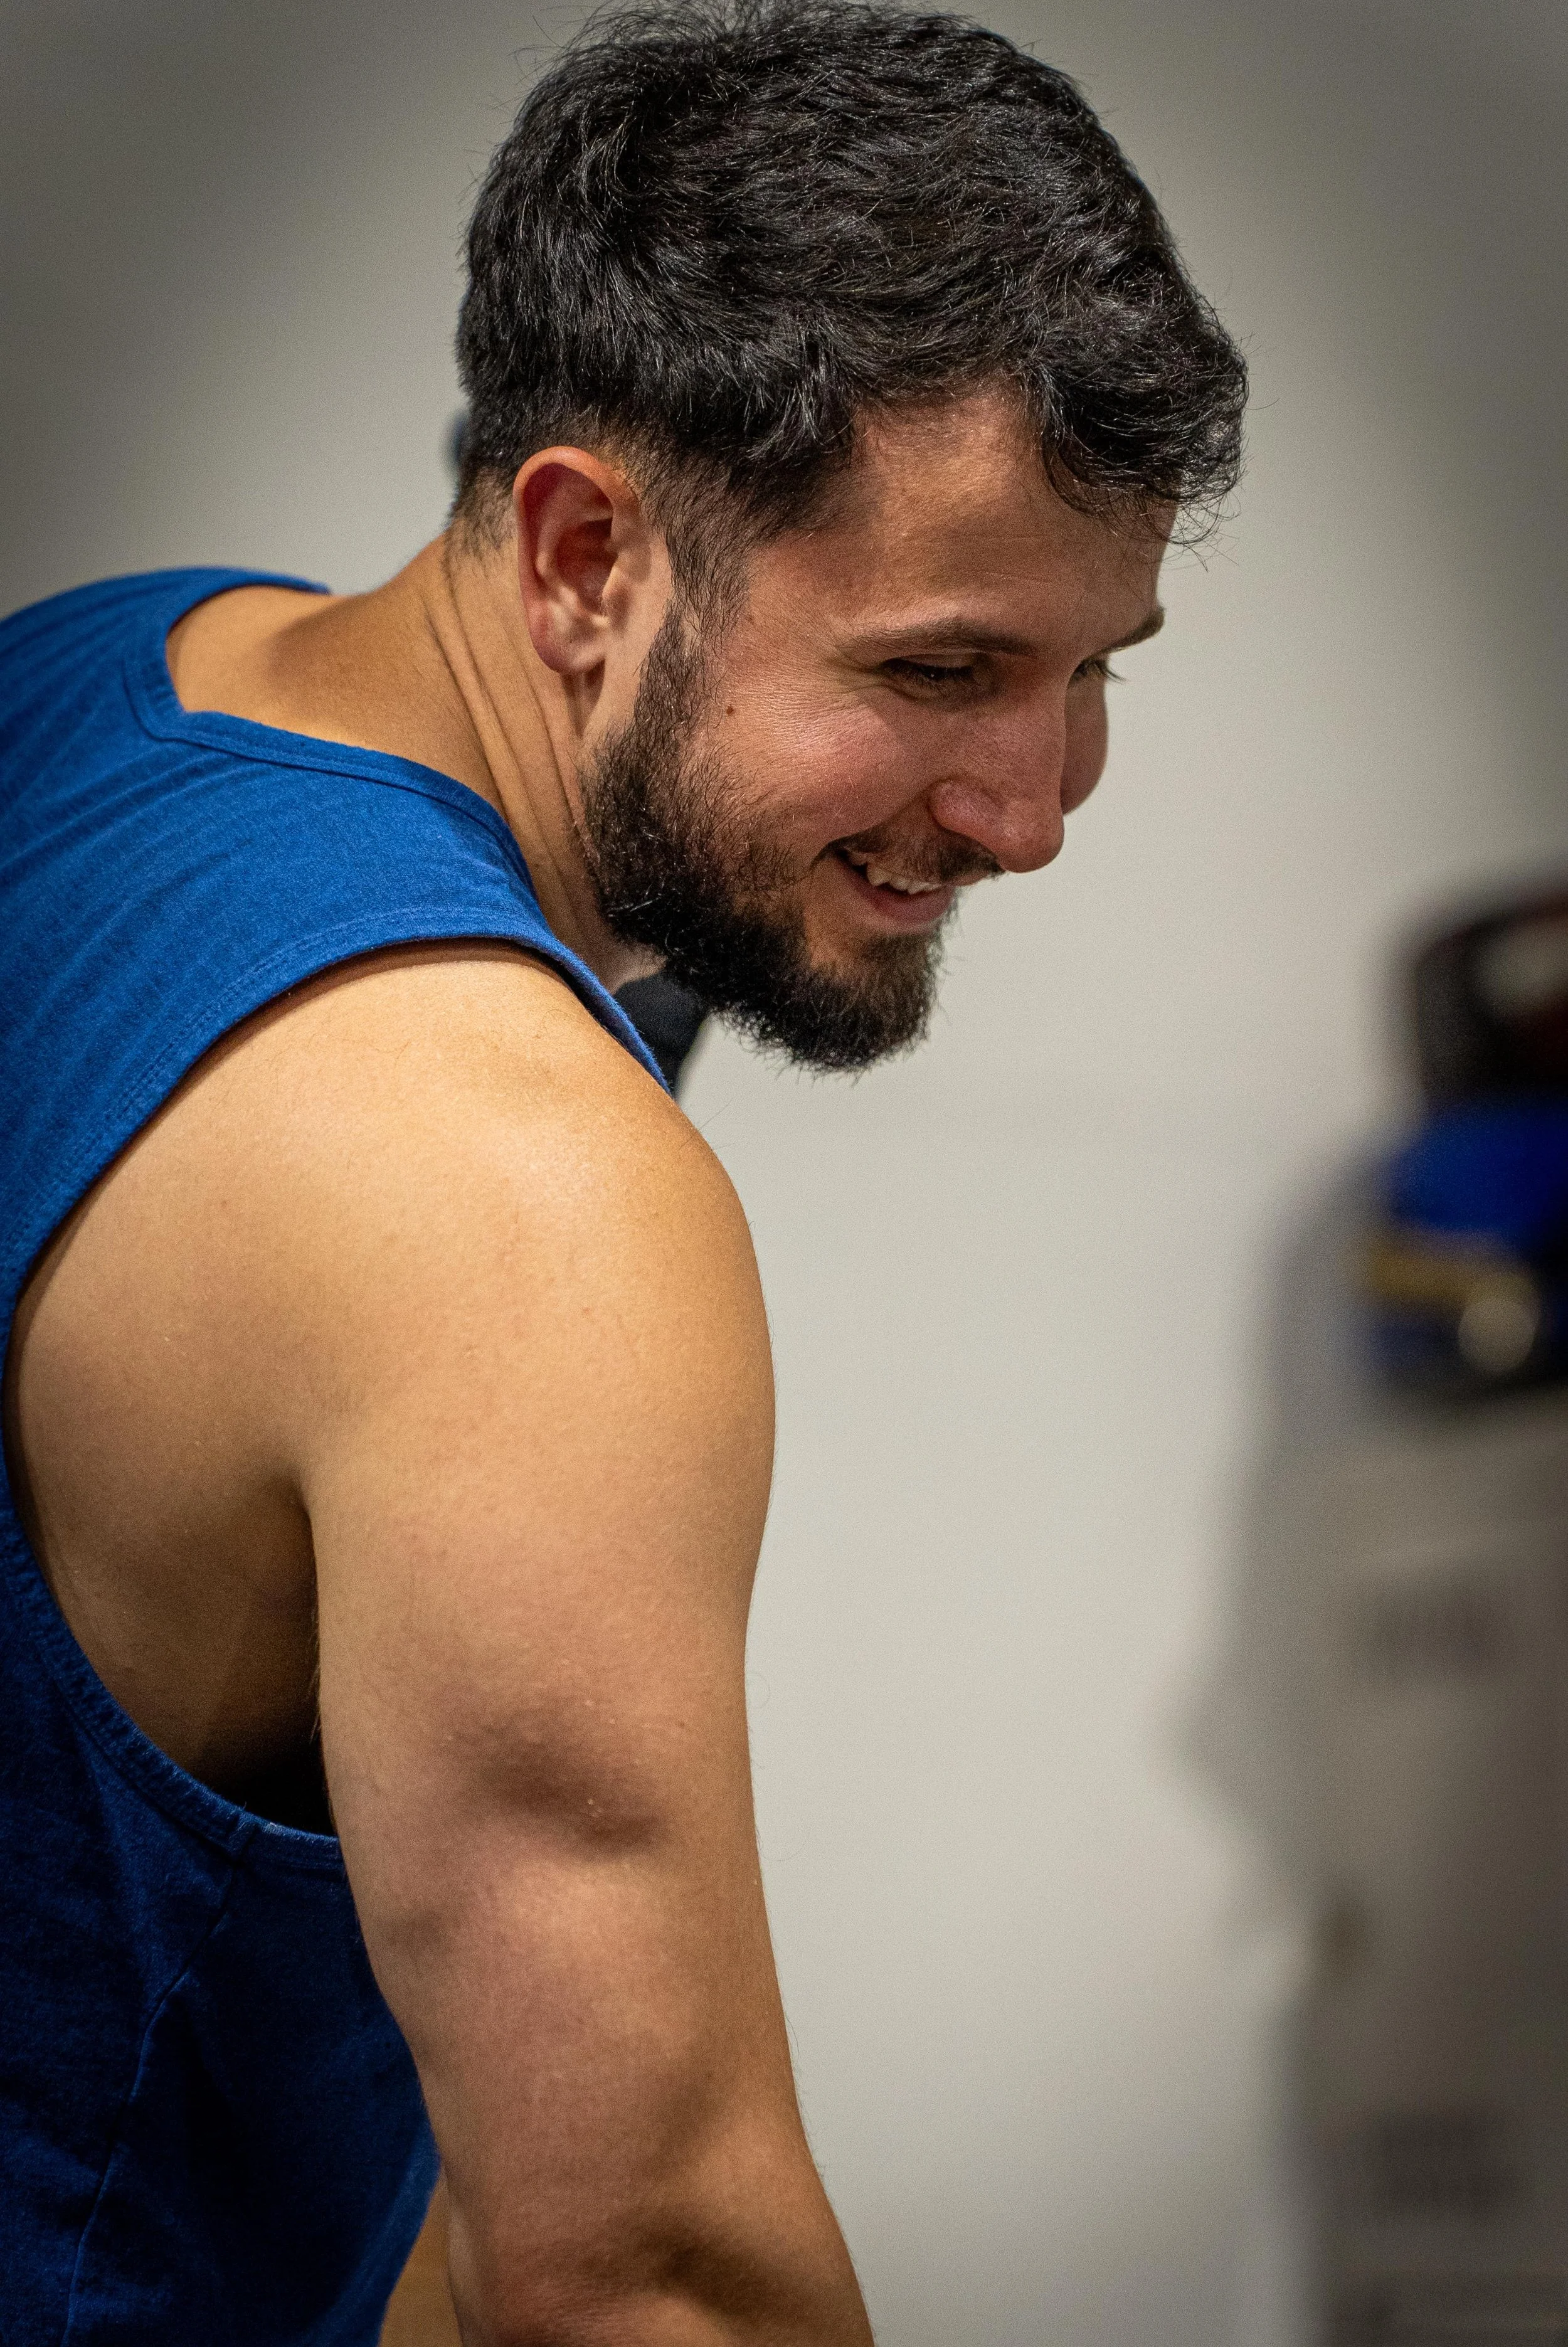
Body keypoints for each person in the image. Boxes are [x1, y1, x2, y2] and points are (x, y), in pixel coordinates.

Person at [0, 4, 1246, 2339]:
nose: (1034, 804)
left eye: (1099, 668)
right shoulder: (504, 1186)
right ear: (584, 553)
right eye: (939, 664)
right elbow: (644, 2266)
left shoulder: (94, 684)